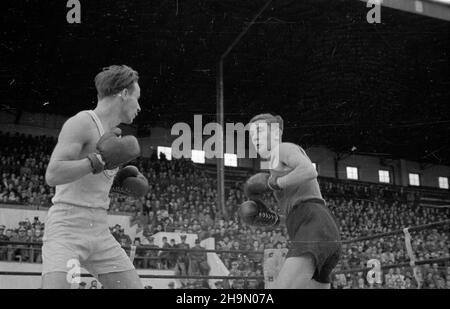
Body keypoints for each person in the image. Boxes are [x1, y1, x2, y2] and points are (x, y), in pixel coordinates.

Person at [41, 65, 149, 289]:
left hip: (99, 230)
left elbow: (91, 179)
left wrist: (118, 185)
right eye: (137, 98)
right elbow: (53, 174)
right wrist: (95, 161)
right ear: (124, 94)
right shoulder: (82, 123)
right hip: (67, 229)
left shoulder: (113, 137)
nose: (139, 106)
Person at [239, 113, 341, 289]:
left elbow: (309, 170)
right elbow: (297, 208)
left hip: (314, 227)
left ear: (276, 133)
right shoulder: (277, 166)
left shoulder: (283, 149)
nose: (255, 137)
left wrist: (275, 184)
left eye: (260, 131)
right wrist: (275, 219)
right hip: (318, 229)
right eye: (252, 134)